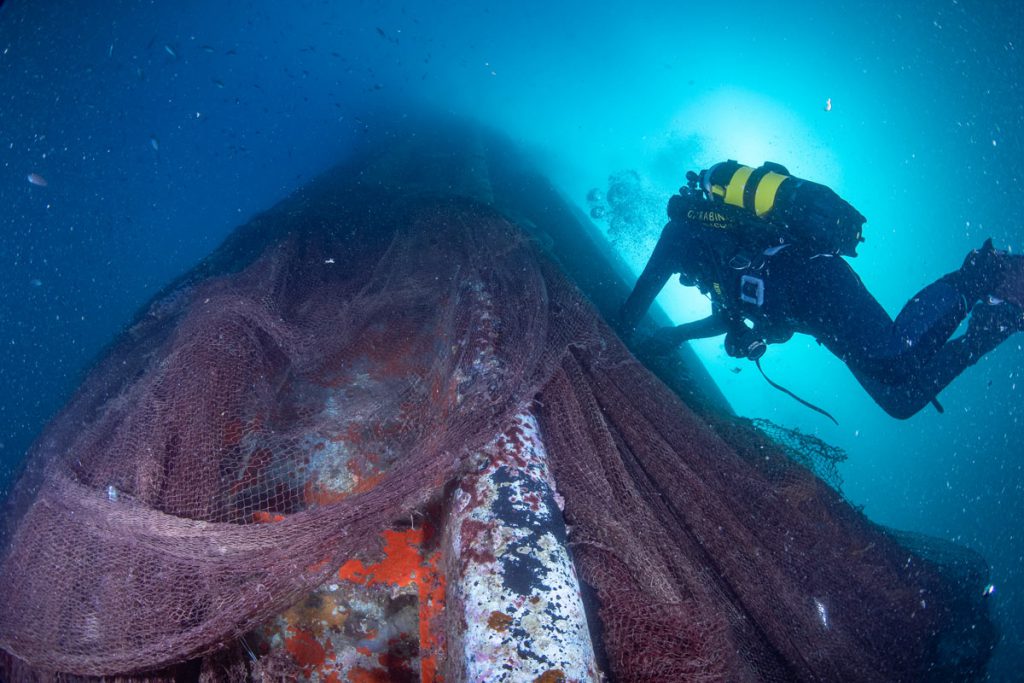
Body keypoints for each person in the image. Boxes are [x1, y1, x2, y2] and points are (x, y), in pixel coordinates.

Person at [618, 160, 1024, 419]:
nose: (688, 280)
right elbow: (743, 317)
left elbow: (636, 302)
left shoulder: (680, 237)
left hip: (815, 279)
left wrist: (622, 336)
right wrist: (680, 334)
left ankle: (983, 274)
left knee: (894, 359)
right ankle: (994, 325)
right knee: (899, 400)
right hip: (811, 310)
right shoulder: (718, 267)